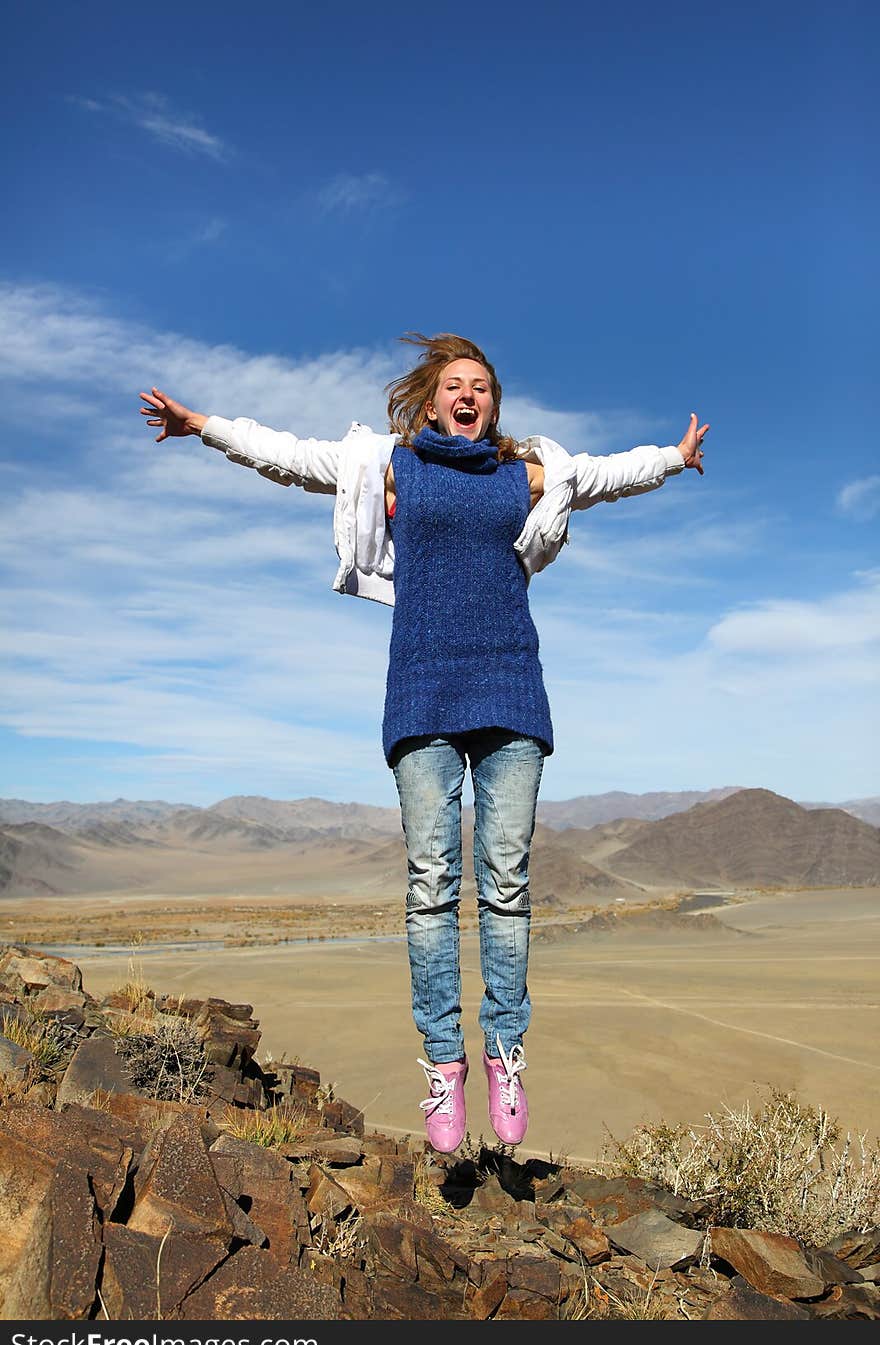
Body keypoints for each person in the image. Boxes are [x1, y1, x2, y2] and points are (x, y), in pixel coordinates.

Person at [139, 332, 709, 1153]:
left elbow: (604, 475)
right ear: (432, 399)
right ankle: (445, 1066)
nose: (467, 394)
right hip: (422, 692)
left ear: (493, 404)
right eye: (454, 384)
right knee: (432, 882)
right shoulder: (389, 465)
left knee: (506, 882)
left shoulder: (528, 472)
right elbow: (289, 457)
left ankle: (504, 1058)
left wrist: (671, 455)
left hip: (511, 690)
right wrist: (203, 426)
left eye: (481, 385)